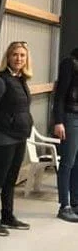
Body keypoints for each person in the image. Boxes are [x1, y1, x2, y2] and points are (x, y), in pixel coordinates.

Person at [0, 41, 34, 235]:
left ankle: (7, 215)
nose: (19, 58)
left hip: (20, 136)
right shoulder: (0, 81)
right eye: (15, 55)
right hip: (3, 137)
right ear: (8, 57)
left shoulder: (21, 80)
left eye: (22, 55)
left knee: (11, 178)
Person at [52, 47, 78, 222]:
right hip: (69, 117)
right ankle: (64, 205)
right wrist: (58, 121)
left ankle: (75, 202)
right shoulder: (70, 63)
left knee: (77, 162)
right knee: (67, 162)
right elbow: (60, 95)